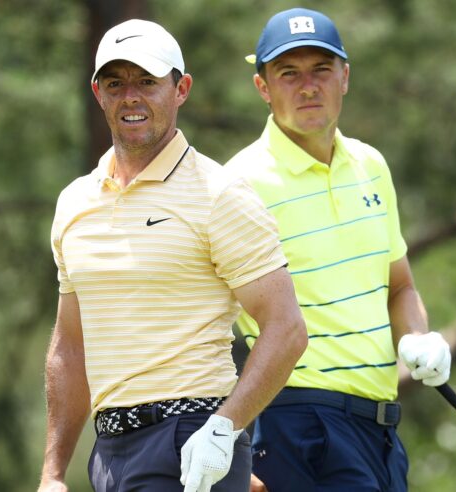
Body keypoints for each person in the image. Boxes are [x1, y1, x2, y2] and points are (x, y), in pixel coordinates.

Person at [37, 19, 307, 492]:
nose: (130, 97)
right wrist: (53, 474)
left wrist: (224, 428)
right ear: (98, 93)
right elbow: (70, 345)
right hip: (109, 453)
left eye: (147, 81)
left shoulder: (219, 193)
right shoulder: (75, 202)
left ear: (181, 89)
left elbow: (286, 329)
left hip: (191, 436)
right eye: (115, 83)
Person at [226, 8, 452, 492]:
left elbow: (400, 286)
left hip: (379, 428)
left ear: (345, 77)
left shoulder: (371, 166)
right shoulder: (239, 184)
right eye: (289, 73)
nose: (308, 86)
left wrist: (418, 337)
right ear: (263, 87)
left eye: (321, 70)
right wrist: (228, 435)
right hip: (298, 424)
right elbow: (204, 318)